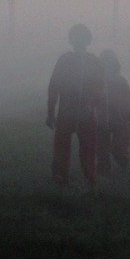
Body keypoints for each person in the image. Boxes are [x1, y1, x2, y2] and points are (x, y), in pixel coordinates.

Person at [46, 24, 104, 188]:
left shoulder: (86, 61)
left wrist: (51, 112)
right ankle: (71, 180)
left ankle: (83, 180)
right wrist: (50, 112)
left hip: (79, 113)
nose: (79, 41)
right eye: (77, 37)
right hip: (73, 113)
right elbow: (54, 86)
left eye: (81, 38)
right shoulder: (84, 61)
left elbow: (99, 88)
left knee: (81, 150)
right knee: (76, 150)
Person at [96, 49, 130, 176]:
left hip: (120, 120)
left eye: (110, 63)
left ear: (115, 65)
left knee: (119, 150)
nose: (107, 66)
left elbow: (128, 103)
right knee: (101, 150)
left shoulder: (121, 81)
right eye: (104, 63)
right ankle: (104, 173)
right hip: (100, 121)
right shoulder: (96, 83)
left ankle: (124, 164)